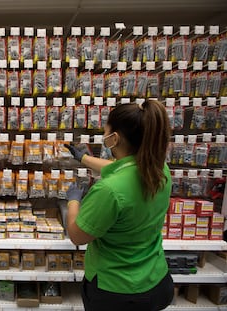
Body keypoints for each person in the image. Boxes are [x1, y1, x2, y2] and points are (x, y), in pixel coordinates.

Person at [65, 99, 174, 311]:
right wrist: (84, 158)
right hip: (155, 280)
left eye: (105, 131)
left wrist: (73, 201)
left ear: (114, 138)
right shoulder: (160, 170)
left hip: (116, 290)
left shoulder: (109, 190)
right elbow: (119, 168)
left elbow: (77, 236)